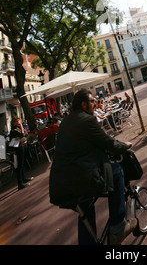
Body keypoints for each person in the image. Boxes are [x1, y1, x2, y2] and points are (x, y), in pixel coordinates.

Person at [49, 89, 137, 245]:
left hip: (61, 183)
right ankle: (118, 226)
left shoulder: (66, 122)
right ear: (83, 104)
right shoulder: (86, 120)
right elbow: (108, 143)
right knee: (116, 172)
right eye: (91, 101)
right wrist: (125, 146)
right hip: (81, 177)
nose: (95, 103)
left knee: (86, 207)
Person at [9, 116, 33, 190]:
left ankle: (24, 178)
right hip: (19, 148)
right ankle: (20, 183)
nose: (18, 123)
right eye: (16, 121)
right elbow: (22, 134)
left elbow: (25, 134)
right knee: (20, 165)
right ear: (13, 123)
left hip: (23, 146)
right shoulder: (14, 130)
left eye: (18, 121)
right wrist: (21, 127)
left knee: (23, 163)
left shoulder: (17, 128)